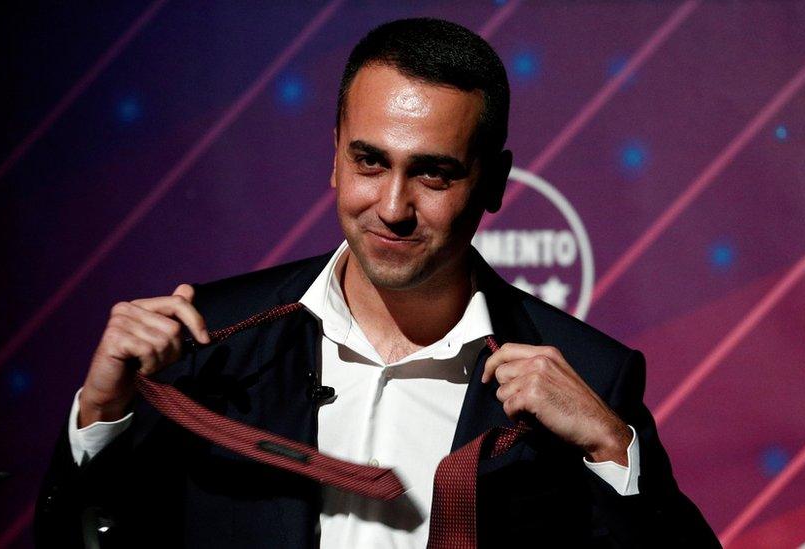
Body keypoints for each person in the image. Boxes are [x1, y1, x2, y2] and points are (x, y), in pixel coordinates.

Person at [35, 17, 718, 548]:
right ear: (334, 155)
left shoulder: (590, 375)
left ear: (496, 183)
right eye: (369, 162)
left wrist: (610, 447)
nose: (392, 206)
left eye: (433, 173)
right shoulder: (206, 341)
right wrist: (100, 414)